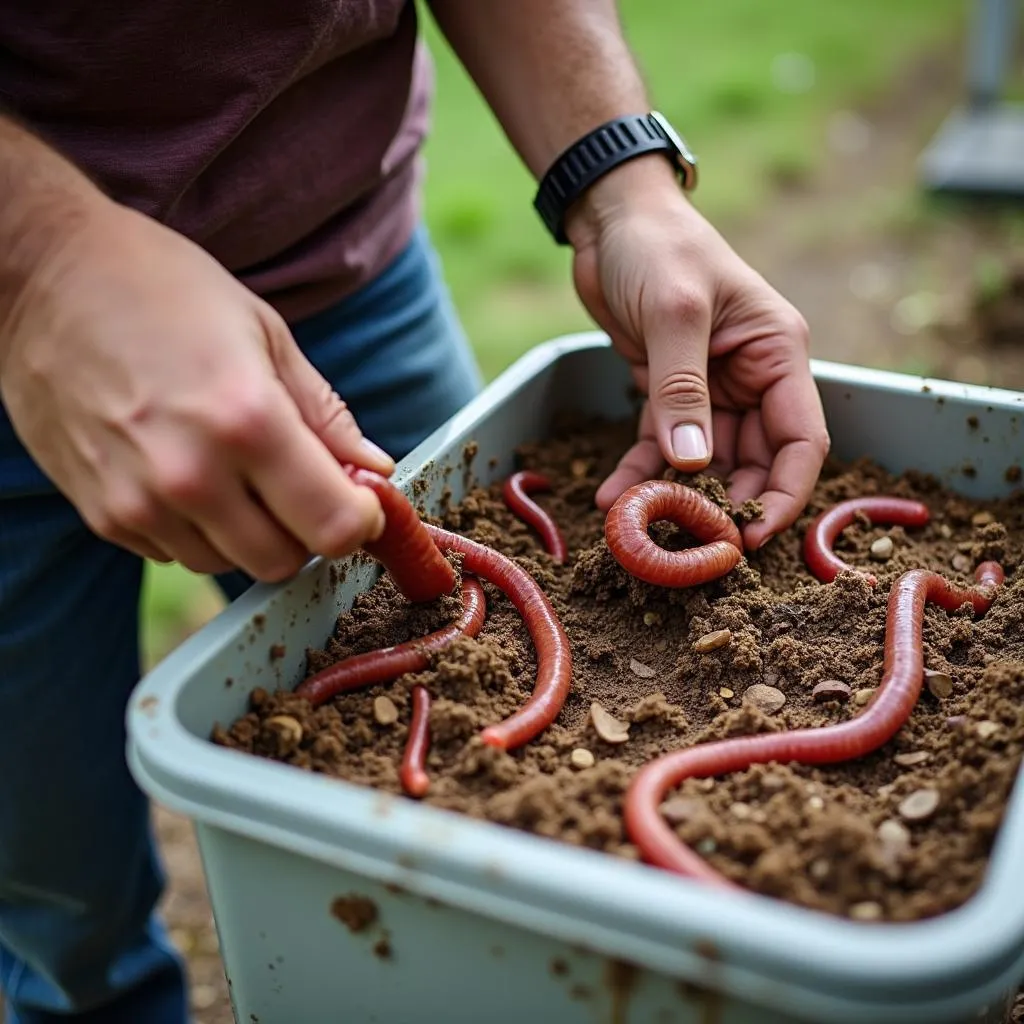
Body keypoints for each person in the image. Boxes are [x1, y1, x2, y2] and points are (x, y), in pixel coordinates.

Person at [0, 1, 830, 1020]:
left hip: (345, 268)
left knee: (466, 727)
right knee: (54, 883)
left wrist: (623, 186)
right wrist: (32, 261)